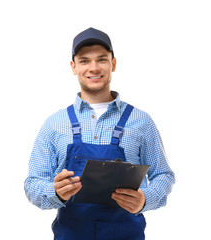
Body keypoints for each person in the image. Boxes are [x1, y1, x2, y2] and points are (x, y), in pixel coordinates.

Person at [24, 27, 175, 240]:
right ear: (73, 67)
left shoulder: (141, 121)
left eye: (101, 59)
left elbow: (163, 175)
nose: (93, 68)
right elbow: (33, 183)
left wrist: (145, 199)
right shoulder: (54, 124)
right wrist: (55, 192)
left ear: (113, 63)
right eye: (84, 60)